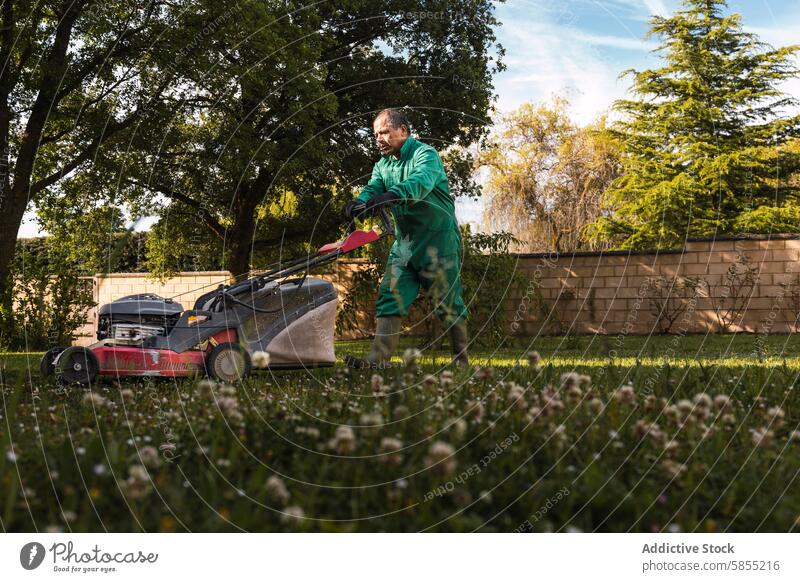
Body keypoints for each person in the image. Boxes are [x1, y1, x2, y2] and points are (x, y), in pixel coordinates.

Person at [341, 108, 469, 369]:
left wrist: (393, 195)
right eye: (376, 134)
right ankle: (378, 360)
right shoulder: (383, 165)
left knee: (448, 303)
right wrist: (359, 203)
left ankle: (461, 362)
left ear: (403, 131)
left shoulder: (426, 155)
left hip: (438, 242)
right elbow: (374, 188)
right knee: (390, 296)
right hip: (406, 245)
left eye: (385, 132)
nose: (379, 138)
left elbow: (420, 182)